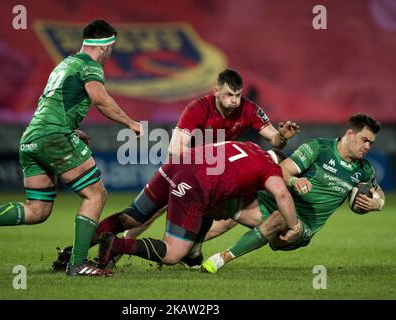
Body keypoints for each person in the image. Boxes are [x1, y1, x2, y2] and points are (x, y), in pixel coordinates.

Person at [51, 68, 300, 269]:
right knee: (150, 214)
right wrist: (189, 183)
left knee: (225, 218)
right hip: (188, 169)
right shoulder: (198, 109)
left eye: (237, 96)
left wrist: (283, 136)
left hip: (218, 175)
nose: (234, 101)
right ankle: (116, 248)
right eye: (228, 95)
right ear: (215, 92)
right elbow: (175, 148)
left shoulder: (249, 109)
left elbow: (274, 140)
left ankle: (187, 250)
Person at [0, 20, 142, 277]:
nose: (111, 53)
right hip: (53, 136)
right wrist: (131, 123)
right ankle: (77, 263)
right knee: (96, 194)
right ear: (106, 46)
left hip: (32, 137)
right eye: (112, 47)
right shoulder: (89, 66)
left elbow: (50, 104)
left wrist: (71, 129)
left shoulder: (64, 65)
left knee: (37, 209)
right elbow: (100, 99)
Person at [201, 113, 386, 273]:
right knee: (227, 205)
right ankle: (187, 249)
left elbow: (378, 193)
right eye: (365, 140)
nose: (368, 146)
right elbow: (281, 171)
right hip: (273, 202)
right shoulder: (319, 149)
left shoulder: (364, 170)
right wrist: (294, 180)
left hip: (301, 226)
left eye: (371, 142)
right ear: (350, 134)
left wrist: (378, 204)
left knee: (280, 217)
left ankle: (221, 259)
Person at [95, 141, 300, 268]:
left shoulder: (248, 146)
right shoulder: (270, 168)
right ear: (280, 164)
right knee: (172, 253)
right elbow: (281, 194)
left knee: (130, 217)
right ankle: (117, 244)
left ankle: (73, 253)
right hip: (194, 183)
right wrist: (294, 226)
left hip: (175, 165)